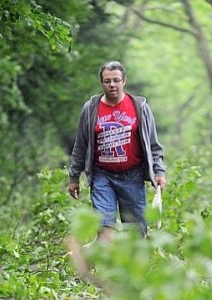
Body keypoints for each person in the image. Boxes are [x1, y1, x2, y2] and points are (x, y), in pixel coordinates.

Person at [68, 60, 167, 242]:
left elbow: (153, 144)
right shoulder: (90, 109)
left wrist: (159, 171)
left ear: (124, 81)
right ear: (102, 83)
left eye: (116, 80)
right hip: (102, 176)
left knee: (136, 232)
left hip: (132, 176)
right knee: (105, 227)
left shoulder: (140, 108)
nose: (112, 85)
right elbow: (80, 146)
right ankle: (104, 269)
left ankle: (134, 268)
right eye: (107, 81)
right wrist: (74, 177)